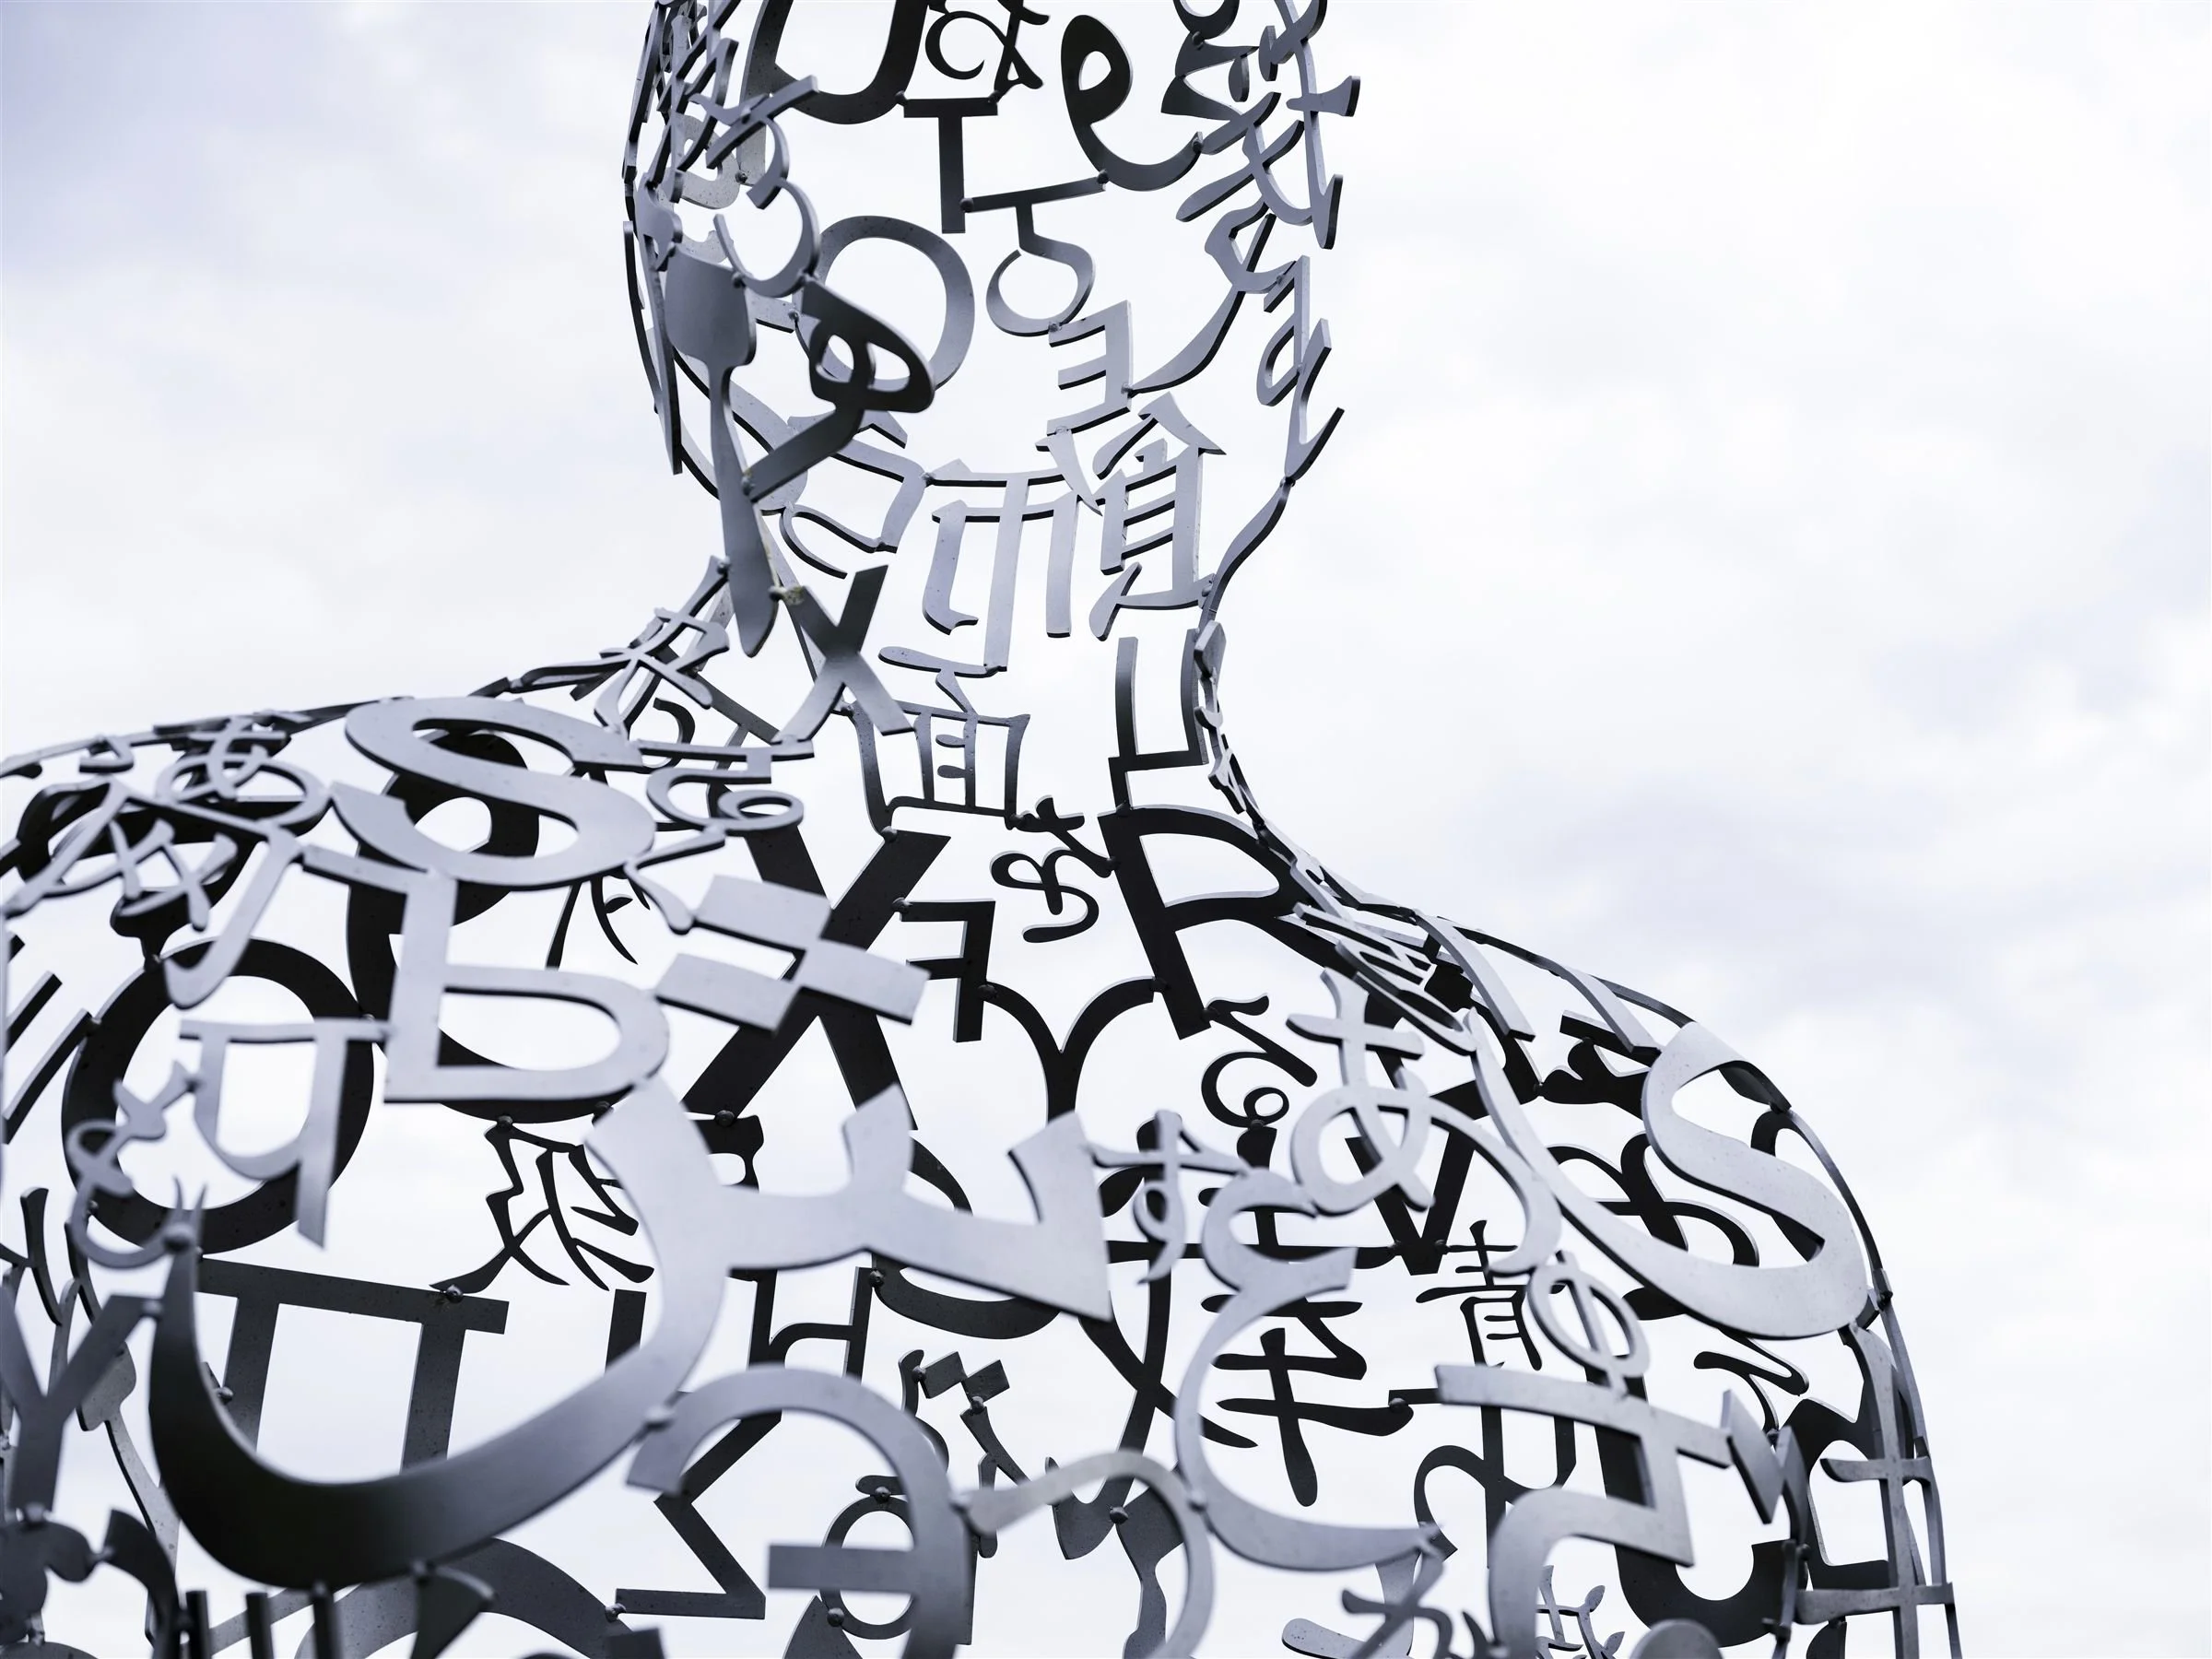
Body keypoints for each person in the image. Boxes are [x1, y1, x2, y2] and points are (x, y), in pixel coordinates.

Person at [0, 6, 1955, 1656]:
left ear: (1294, 292)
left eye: (1142, 145)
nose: (1014, 326)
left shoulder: (1659, 1191)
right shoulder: (149, 925)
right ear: (678, 249)